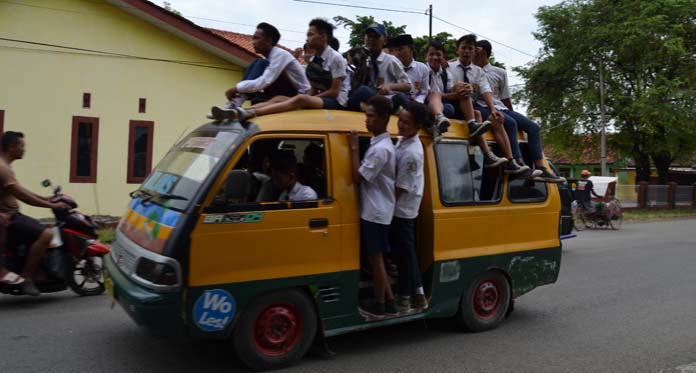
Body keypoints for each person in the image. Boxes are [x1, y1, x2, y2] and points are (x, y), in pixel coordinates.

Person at [474, 40, 565, 183]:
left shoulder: (499, 72)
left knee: (533, 127)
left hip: (501, 107)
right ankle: (518, 162)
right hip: (483, 106)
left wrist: (512, 111)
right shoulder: (472, 70)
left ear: (484, 52)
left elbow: (505, 97)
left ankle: (541, 167)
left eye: (476, 48)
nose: (473, 51)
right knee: (510, 123)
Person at [233, 18, 350, 121]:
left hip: (337, 102)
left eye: (310, 35)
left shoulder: (336, 58)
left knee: (300, 99)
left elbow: (334, 92)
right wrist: (306, 97)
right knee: (278, 99)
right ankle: (238, 111)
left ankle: (252, 113)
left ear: (323, 37)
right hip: (322, 98)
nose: (307, 38)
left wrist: (309, 99)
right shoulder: (315, 60)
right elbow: (314, 88)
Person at [0, 131, 70, 296]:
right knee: (46, 234)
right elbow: (23, 196)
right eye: (21, 146)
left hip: (11, 215)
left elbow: (20, 190)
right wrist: (52, 205)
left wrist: (45, 197)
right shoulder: (3, 168)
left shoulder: (5, 166)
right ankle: (27, 277)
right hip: (9, 217)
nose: (24, 150)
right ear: (12, 147)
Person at [348, 96, 398, 320]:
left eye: (370, 116)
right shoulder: (379, 143)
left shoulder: (381, 149)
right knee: (377, 260)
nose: (366, 121)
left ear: (384, 118)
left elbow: (358, 177)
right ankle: (389, 302)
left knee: (376, 261)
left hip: (375, 212)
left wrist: (353, 148)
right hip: (376, 209)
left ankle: (379, 305)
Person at [210, 22, 311, 119]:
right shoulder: (270, 58)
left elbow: (264, 82)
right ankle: (235, 105)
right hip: (282, 92)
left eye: (256, 38)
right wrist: (239, 89)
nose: (253, 42)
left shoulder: (280, 54)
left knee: (260, 63)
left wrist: (237, 88)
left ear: (268, 40)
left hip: (299, 95)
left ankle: (236, 103)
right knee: (258, 63)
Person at [390, 101, 429, 314]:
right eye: (400, 120)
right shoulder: (402, 142)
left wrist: (386, 207)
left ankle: (404, 297)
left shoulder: (412, 152)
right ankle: (419, 294)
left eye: (406, 122)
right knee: (407, 253)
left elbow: (401, 188)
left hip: (402, 209)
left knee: (404, 255)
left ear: (417, 126)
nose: (401, 125)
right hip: (400, 206)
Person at [345, 24, 411, 113]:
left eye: (376, 37)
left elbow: (407, 86)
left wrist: (390, 86)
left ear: (384, 40)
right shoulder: (359, 57)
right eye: (369, 36)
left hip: (386, 101)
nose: (371, 39)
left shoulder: (391, 60)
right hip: (363, 99)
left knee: (401, 97)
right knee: (362, 91)